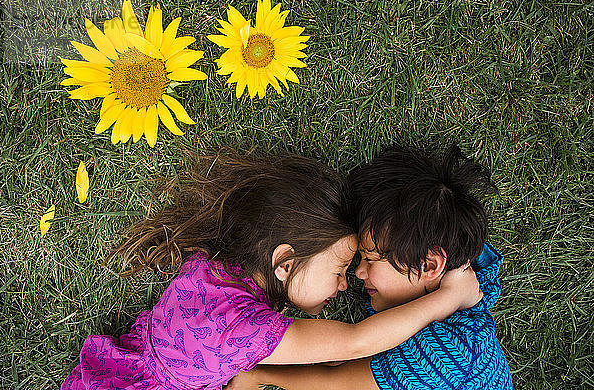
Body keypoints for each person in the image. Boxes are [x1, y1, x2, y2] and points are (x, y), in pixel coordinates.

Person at [61, 150, 482, 390]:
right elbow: (354, 343)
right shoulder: (248, 330)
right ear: (285, 264)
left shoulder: (209, 268)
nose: (345, 282)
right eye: (339, 268)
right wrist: (448, 297)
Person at [226, 144, 513, 390]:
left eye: (371, 259)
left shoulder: (447, 355)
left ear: (429, 265)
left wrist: (258, 375)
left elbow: (337, 383)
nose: (357, 273)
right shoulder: (460, 273)